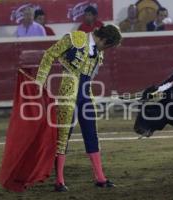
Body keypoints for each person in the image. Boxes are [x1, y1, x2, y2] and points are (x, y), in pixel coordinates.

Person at [35, 24, 122, 192]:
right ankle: (59, 180)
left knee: (91, 134)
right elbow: (49, 54)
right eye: (108, 45)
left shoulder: (98, 51)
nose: (106, 49)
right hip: (68, 93)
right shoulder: (74, 38)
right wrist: (40, 81)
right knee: (63, 136)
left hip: (86, 95)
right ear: (103, 39)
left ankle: (100, 178)